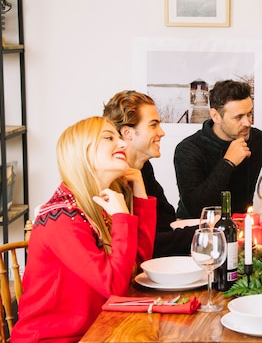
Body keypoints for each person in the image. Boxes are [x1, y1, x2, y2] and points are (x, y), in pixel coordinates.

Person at [11, 117, 157, 343]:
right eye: (109, 138)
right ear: (82, 152)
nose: (123, 144)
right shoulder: (61, 217)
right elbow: (114, 287)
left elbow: (136, 265)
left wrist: (138, 188)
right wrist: (121, 217)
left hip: (99, 329)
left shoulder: (97, 204)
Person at [103, 90, 196, 258]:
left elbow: (166, 220)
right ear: (127, 133)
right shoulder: (108, 179)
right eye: (153, 125)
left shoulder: (143, 167)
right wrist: (205, 233)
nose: (161, 132)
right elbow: (149, 245)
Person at [174, 79, 262, 218]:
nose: (247, 122)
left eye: (249, 113)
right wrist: (228, 162)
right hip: (195, 229)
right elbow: (195, 209)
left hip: (241, 227)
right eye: (238, 117)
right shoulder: (188, 149)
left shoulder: (259, 140)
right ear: (216, 116)